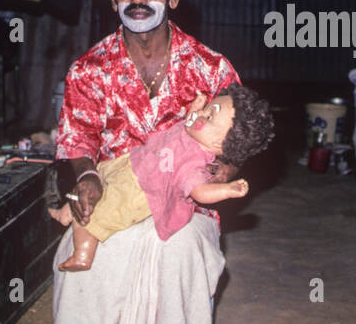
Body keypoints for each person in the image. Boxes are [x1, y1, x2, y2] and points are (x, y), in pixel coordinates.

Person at [50, 0, 241, 324]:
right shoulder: (87, 70)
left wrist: (220, 175)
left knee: (180, 244)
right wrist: (87, 177)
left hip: (184, 197)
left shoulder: (212, 68)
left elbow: (237, 140)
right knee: (94, 240)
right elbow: (76, 141)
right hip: (116, 188)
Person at [58, 85, 273, 271]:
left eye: (208, 117)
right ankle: (65, 213)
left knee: (100, 214)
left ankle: (83, 254)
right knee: (99, 178)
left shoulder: (194, 164)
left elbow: (199, 191)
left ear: (222, 146)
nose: (200, 115)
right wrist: (199, 108)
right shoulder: (195, 132)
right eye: (207, 108)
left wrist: (227, 190)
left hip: (139, 190)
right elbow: (192, 119)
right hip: (131, 164)